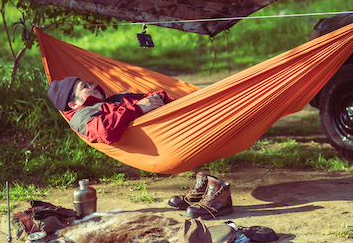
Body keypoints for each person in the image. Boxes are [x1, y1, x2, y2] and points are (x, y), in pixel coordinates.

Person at [46, 76, 233, 219]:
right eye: (85, 87)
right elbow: (103, 131)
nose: (93, 86)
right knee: (217, 126)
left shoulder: (112, 101)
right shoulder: (82, 116)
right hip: (161, 141)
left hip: (172, 126)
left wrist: (154, 100)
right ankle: (218, 192)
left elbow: (153, 95)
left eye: (90, 83)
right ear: (73, 104)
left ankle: (209, 185)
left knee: (217, 116)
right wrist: (139, 109)